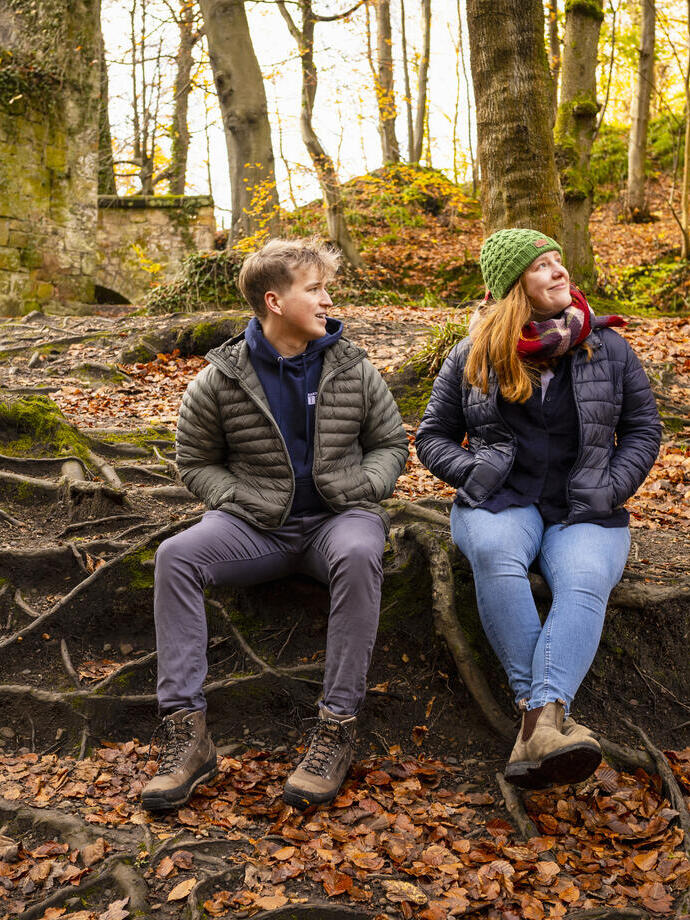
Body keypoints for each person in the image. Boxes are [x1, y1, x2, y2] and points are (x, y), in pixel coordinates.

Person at [141, 237, 408, 812]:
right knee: (175, 557)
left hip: (340, 520)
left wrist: (362, 491)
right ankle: (187, 736)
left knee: (362, 553)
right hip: (255, 527)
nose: (327, 300)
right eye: (314, 289)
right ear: (274, 301)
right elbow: (194, 461)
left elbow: (389, 443)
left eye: (325, 288)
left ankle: (336, 729)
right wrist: (237, 498)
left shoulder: (352, 365)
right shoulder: (220, 379)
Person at [416, 228, 661, 789]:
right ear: (513, 287)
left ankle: (535, 725)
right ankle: (547, 724)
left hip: (586, 505)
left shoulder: (609, 346)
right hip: (501, 499)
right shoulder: (473, 352)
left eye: (559, 260)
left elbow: (645, 430)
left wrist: (612, 486)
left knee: (584, 579)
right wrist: (474, 474)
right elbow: (432, 436)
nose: (559, 271)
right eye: (542, 265)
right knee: (498, 556)